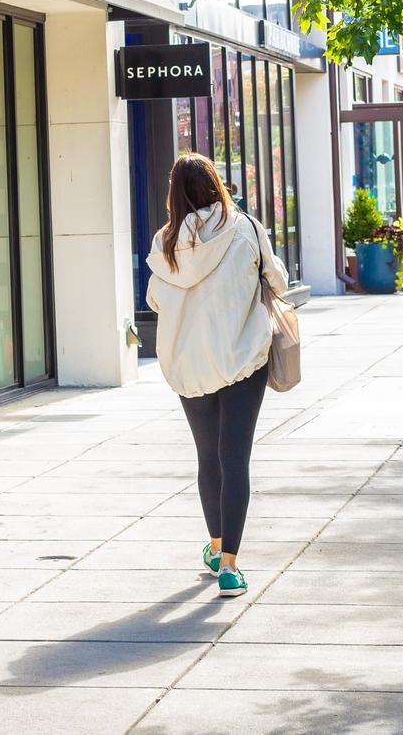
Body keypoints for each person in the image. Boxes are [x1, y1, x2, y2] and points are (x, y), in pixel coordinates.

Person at [146, 154, 287, 601]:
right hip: (243, 357)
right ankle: (229, 567)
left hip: (189, 363)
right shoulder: (245, 226)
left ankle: (215, 546)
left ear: (175, 194)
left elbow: (154, 300)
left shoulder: (166, 241)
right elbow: (278, 282)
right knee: (234, 458)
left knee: (208, 456)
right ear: (214, 184)